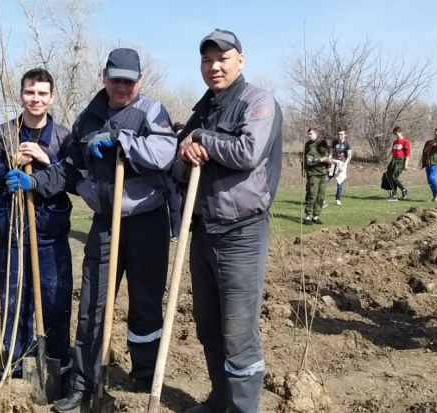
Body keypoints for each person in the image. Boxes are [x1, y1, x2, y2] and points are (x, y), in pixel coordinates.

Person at [6, 48, 177, 412]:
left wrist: (121, 142)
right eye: (115, 78)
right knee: (92, 306)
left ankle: (144, 376)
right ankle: (83, 385)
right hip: (106, 224)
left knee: (146, 304)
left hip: (147, 220)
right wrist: (36, 182)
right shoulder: (88, 118)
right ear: (104, 76)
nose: (121, 86)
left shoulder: (150, 110)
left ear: (139, 81)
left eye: (129, 81)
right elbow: (71, 167)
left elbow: (164, 151)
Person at [172, 28, 283, 413]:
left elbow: (248, 151)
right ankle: (219, 401)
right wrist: (185, 156)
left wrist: (203, 138)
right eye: (207, 59)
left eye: (222, 58)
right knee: (207, 325)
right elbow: (176, 161)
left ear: (241, 60)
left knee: (238, 333)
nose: (214, 66)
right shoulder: (203, 107)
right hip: (202, 229)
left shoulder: (258, 101)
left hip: (241, 233)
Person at [0, 68, 74, 384]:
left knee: (56, 306)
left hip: (51, 239)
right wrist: (8, 164)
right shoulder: (1, 136)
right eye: (30, 92)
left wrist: (47, 161)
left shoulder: (63, 138)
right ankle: (15, 371)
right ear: (21, 94)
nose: (36, 99)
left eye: (43, 93)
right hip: (13, 238)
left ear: (52, 97)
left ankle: (56, 371)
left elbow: (77, 179)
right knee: (15, 305)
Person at [303, 127, 331, 225]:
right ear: (321, 147)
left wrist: (329, 165)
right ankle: (307, 217)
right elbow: (308, 161)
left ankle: (316, 216)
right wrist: (320, 160)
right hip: (314, 175)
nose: (325, 151)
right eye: (324, 149)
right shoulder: (313, 150)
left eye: (326, 150)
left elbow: (327, 160)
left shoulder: (325, 151)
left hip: (323, 175)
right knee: (312, 196)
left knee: (321, 196)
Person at [167, 122, 188, 241]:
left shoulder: (188, 147)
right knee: (175, 206)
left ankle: (185, 229)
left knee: (186, 204)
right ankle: (176, 234)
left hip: (185, 178)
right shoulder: (170, 148)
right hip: (171, 179)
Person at [328, 127, 352, 205]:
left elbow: (349, 156)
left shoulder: (347, 143)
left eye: (341, 134)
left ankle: (338, 198)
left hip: (342, 163)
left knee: (340, 182)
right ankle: (320, 198)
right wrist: (329, 163)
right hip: (334, 162)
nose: (340, 136)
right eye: (338, 134)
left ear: (345, 135)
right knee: (326, 179)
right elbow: (331, 153)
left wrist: (344, 165)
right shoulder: (334, 142)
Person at [420, 128, 437, 202]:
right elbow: (424, 152)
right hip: (428, 163)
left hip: (435, 163)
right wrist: (421, 162)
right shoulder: (428, 142)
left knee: (432, 178)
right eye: (436, 133)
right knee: (429, 181)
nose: (436, 134)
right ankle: (435, 196)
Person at [386, 126, 410, 201]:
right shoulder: (395, 142)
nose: (396, 136)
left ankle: (403, 190)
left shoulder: (405, 141)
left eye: (397, 134)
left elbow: (408, 154)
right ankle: (394, 195)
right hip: (394, 160)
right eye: (394, 134)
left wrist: (406, 164)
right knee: (389, 176)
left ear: (400, 132)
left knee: (394, 177)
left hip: (400, 160)